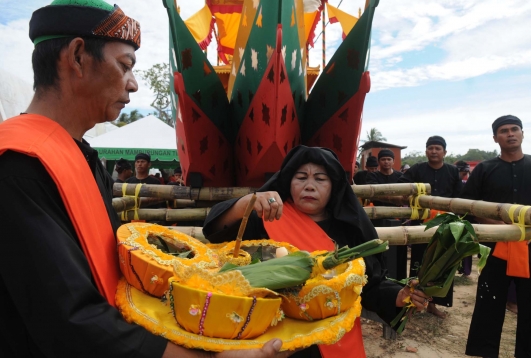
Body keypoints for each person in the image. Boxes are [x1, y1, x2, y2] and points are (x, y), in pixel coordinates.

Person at [0, 1, 290, 357]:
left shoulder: (83, 156)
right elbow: (70, 321)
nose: (134, 85)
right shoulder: (17, 165)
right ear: (78, 57)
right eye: (125, 66)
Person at [203, 145, 429, 358]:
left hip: (332, 336)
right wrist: (244, 204)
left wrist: (399, 295)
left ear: (334, 186)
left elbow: (367, 285)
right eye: (301, 178)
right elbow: (216, 230)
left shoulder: (348, 231)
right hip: (273, 334)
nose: (309, 185)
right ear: (288, 182)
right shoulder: (265, 218)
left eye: (320, 179)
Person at [461, 115, 531, 358]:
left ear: (523, 133)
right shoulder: (484, 170)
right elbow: (468, 206)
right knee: (488, 305)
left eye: (515, 129)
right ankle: (484, 353)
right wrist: (495, 225)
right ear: (495, 138)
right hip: (494, 250)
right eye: (504, 131)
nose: (510, 134)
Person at [398, 135, 462, 318]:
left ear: (445, 152)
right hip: (422, 225)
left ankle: (434, 305)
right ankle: (411, 303)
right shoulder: (417, 169)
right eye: (430, 148)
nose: (434, 151)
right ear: (426, 151)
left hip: (446, 226)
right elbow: (403, 184)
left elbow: (459, 196)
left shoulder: (452, 171)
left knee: (443, 264)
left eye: (438, 148)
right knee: (419, 263)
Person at [366, 149, 406, 280]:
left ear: (393, 161)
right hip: (378, 218)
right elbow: (372, 193)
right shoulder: (373, 176)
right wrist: (396, 198)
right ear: (379, 162)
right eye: (383, 159)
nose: (386, 162)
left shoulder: (401, 176)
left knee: (398, 250)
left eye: (389, 159)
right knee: (380, 248)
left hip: (397, 218)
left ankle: (398, 279)